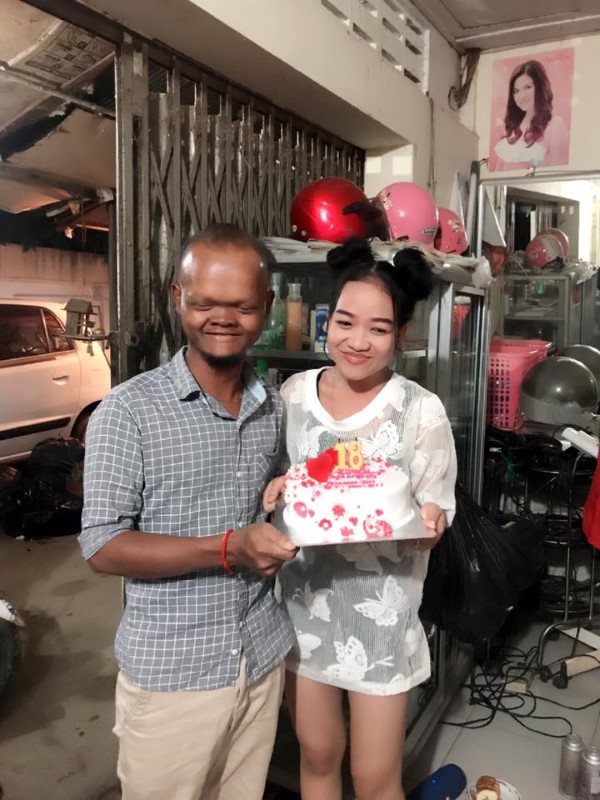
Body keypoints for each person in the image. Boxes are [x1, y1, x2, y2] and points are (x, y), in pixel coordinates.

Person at [78, 223, 298, 800]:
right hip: (174, 673)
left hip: (261, 655)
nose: (222, 319)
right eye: (204, 303)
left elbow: (273, 503)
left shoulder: (272, 407)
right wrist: (229, 548)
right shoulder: (128, 411)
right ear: (178, 298)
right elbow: (102, 545)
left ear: (267, 306)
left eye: (242, 306)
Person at [264, 237, 457, 800]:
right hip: (305, 607)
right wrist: (274, 489)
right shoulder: (294, 395)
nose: (357, 340)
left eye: (378, 328)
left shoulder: (419, 409)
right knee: (317, 754)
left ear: (401, 335)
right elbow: (281, 480)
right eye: (345, 322)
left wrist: (430, 523)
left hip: (381, 617)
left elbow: (435, 507)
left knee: (374, 777)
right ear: (328, 320)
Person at [490, 59, 569, 171]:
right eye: (516, 91)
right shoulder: (514, 127)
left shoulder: (555, 124)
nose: (521, 96)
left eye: (527, 87)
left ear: (540, 87)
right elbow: (499, 174)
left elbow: (558, 173)